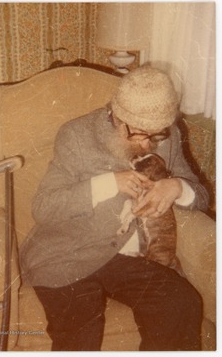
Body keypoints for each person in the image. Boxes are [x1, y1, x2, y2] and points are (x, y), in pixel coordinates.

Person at [19, 66, 209, 351]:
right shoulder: (76, 135)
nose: (147, 144)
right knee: (81, 330)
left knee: (180, 303)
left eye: (155, 135)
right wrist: (107, 184)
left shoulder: (168, 136)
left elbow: (202, 196)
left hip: (123, 258)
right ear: (116, 115)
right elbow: (44, 207)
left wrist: (177, 187)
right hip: (66, 254)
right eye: (137, 133)